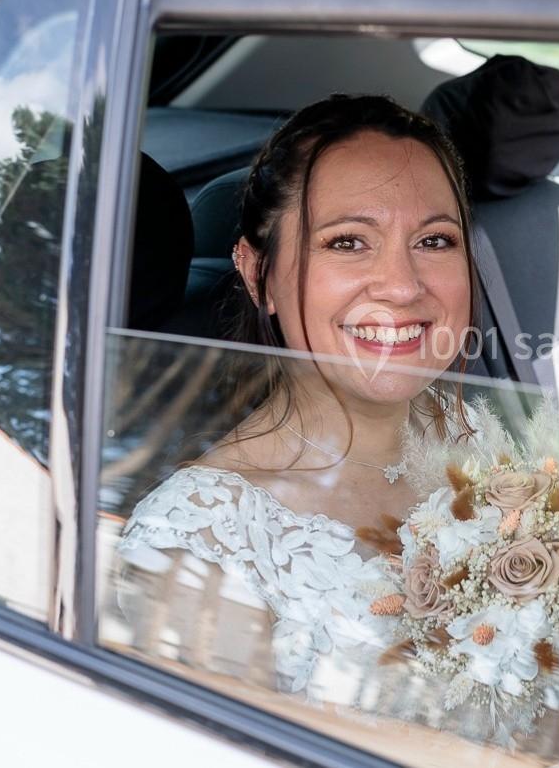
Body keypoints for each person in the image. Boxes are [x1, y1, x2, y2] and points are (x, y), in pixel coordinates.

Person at [117, 93, 479, 696]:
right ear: (260, 275)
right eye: (347, 242)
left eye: (435, 241)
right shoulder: (196, 543)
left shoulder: (471, 432)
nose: (402, 285)